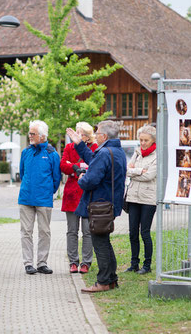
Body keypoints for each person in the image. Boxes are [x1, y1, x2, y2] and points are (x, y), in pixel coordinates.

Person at [66, 120, 127, 293]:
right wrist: (79, 144)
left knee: (100, 243)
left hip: (100, 205)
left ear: (105, 136)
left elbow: (91, 180)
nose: (95, 134)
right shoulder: (115, 151)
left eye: (97, 132)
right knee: (104, 242)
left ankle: (104, 281)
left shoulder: (105, 153)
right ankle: (111, 279)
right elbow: (94, 160)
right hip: (109, 205)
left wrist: (81, 179)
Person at [19, 120, 61, 275]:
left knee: (44, 231)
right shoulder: (26, 152)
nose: (30, 136)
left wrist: (48, 191)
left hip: (44, 199)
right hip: (25, 198)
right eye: (29, 133)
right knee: (26, 232)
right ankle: (28, 263)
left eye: (33, 133)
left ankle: (42, 263)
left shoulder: (52, 154)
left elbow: (57, 178)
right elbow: (23, 174)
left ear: (42, 136)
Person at [60, 122, 97, 274]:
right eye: (76, 133)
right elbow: (63, 165)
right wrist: (77, 167)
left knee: (88, 231)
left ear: (88, 136)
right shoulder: (69, 148)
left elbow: (93, 165)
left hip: (88, 194)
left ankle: (86, 262)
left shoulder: (94, 148)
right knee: (72, 230)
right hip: (72, 195)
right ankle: (73, 262)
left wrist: (74, 165)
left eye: (81, 133)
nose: (77, 136)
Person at [124, 125, 157, 275]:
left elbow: (149, 176)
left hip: (148, 199)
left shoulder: (157, 156)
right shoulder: (137, 153)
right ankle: (134, 263)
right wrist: (138, 171)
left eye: (146, 140)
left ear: (153, 140)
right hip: (133, 197)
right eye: (141, 140)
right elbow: (126, 170)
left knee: (144, 232)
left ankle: (147, 264)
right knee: (132, 232)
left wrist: (133, 172)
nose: (142, 143)